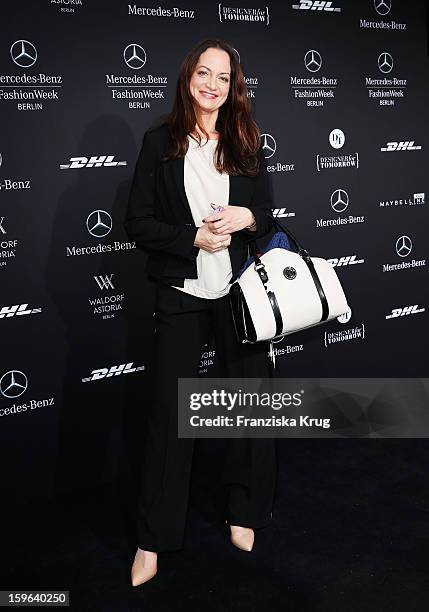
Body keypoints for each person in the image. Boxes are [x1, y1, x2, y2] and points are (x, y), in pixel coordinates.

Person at [124, 37, 278, 587]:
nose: (213, 85)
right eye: (204, 73)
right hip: (182, 291)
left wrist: (245, 218)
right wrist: (193, 237)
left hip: (239, 291)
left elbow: (266, 213)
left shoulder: (244, 139)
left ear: (233, 85)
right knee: (171, 416)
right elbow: (137, 224)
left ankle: (245, 511)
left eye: (224, 77)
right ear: (189, 76)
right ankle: (153, 539)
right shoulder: (158, 142)